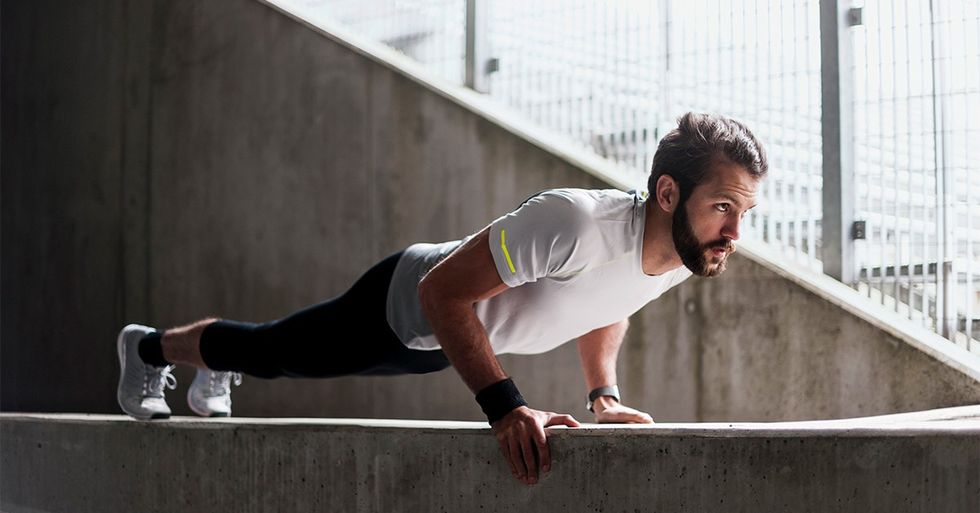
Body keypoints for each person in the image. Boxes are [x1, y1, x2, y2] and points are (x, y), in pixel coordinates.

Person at [116, 111, 767, 486]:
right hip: (407, 304)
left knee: (274, 349)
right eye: (723, 207)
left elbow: (608, 304)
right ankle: (147, 348)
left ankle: (210, 362)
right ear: (667, 194)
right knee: (274, 351)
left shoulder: (685, 253)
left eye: (745, 213)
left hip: (450, 342)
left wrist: (604, 397)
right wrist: (505, 407)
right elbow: (441, 291)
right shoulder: (573, 223)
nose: (734, 233)